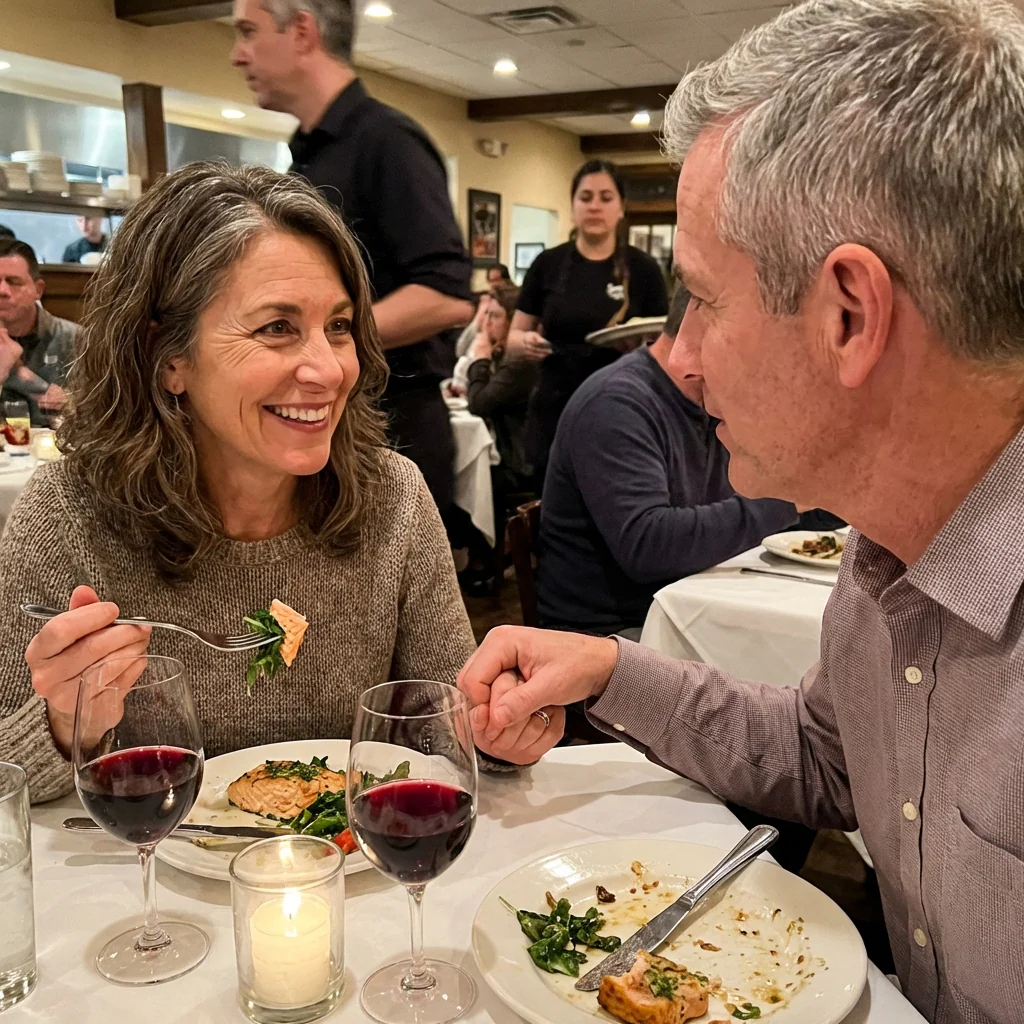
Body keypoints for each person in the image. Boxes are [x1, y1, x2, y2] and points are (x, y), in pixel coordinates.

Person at [458, 0, 1024, 1020]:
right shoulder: (880, 554)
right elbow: (823, 756)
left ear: (848, 316)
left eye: (703, 299)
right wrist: (607, 666)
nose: (685, 350)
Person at [0, 162, 476, 803]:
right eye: (276, 328)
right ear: (169, 358)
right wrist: (67, 727)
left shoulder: (392, 496)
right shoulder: (66, 514)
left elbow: (450, 733)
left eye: (337, 327)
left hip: (354, 882)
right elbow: (6, 773)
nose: (328, 370)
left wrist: (500, 729)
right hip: (150, 890)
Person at [230, 0, 474, 531]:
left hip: (390, 423)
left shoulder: (387, 142)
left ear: (302, 31)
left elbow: (447, 294)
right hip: (327, 421)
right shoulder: (309, 155)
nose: (237, 55)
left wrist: (325, 343)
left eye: (248, 32)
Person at [537, 284, 798, 637]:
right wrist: (787, 501)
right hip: (607, 635)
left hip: (694, 607)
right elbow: (648, 546)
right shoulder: (615, 404)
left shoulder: (711, 400)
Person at [510, 160, 668, 482]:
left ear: (621, 208)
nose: (595, 206)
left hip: (624, 408)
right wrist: (524, 344)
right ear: (572, 207)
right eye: (586, 197)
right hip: (555, 407)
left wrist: (640, 345)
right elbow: (512, 339)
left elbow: (667, 346)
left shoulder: (643, 269)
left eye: (606, 198)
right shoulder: (548, 264)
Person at [0, 238, 77, 426]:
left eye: (13, 282)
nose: (2, 290)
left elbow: (108, 412)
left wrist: (73, 403)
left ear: (38, 290)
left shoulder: (75, 339)